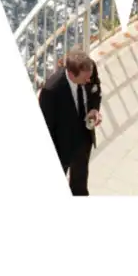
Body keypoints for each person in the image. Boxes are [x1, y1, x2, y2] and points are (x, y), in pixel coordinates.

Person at [38, 46, 103, 196]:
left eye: (89, 77)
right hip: (63, 146)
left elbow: (96, 90)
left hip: (84, 137)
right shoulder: (51, 91)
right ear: (72, 74)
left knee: (80, 184)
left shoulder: (89, 69)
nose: (89, 80)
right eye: (85, 78)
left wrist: (94, 109)